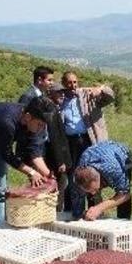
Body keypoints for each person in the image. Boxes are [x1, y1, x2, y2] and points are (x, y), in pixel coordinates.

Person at [60, 71, 115, 212]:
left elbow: (110, 97)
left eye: (75, 82)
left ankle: (94, 211)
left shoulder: (87, 94)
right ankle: (74, 212)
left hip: (88, 140)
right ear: (64, 84)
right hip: (70, 143)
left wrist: (101, 89)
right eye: (69, 82)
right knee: (73, 176)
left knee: (92, 174)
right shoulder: (61, 99)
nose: (73, 85)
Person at [71, 140, 132, 220]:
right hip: (99, 153)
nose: (93, 193)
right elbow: (77, 193)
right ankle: (93, 215)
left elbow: (125, 195)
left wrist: (100, 208)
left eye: (94, 189)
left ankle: (124, 219)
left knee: (122, 194)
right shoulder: (81, 168)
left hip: (123, 155)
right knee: (90, 193)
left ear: (98, 178)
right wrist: (78, 215)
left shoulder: (114, 169)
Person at [45, 83, 73, 213]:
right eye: (58, 92)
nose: (62, 95)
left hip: (58, 158)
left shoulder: (56, 109)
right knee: (55, 188)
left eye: (63, 92)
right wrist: (60, 161)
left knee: (61, 187)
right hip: (52, 159)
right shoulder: (50, 111)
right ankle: (53, 215)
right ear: (50, 94)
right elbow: (53, 138)